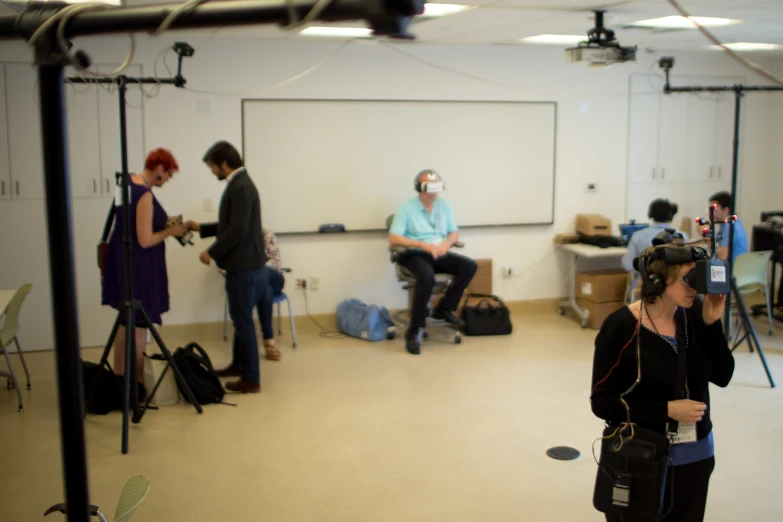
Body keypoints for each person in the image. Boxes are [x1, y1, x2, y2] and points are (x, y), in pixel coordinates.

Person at [591, 236, 735, 522]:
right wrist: (667, 410)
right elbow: (602, 402)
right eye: (686, 279)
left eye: (697, 276)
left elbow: (723, 376)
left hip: (696, 455)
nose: (695, 286)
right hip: (642, 457)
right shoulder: (621, 328)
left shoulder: (695, 315)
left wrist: (711, 324)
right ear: (657, 281)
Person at [186, 141, 268, 393]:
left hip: (243, 266)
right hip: (243, 265)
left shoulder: (241, 186)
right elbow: (231, 223)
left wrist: (211, 251)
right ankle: (238, 366)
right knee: (239, 318)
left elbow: (238, 229)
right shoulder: (240, 183)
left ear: (223, 164)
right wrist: (202, 227)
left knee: (242, 321)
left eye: (212, 166)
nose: (212, 171)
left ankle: (251, 378)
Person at [101, 148, 188, 382]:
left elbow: (126, 222)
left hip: (120, 260)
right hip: (139, 266)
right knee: (139, 324)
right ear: (159, 169)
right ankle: (138, 383)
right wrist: (171, 231)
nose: (168, 180)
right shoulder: (144, 194)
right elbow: (145, 239)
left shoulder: (125, 184)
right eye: (168, 175)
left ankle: (119, 378)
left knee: (124, 319)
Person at [388, 169, 477, 355]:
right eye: (430, 187)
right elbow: (394, 238)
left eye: (437, 187)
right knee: (426, 276)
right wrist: (422, 245)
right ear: (419, 187)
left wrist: (447, 243)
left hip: (438, 252)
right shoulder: (406, 208)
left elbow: (454, 232)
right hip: (413, 253)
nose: (434, 192)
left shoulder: (444, 205)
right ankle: (414, 330)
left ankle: (443, 308)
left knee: (469, 266)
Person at [621, 198, 689, 272]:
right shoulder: (682, 236)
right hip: (673, 281)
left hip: (644, 281)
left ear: (650, 214)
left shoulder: (638, 236)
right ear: (671, 216)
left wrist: (624, 258)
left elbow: (629, 266)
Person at [257, 229, 286, 361]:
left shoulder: (266, 235)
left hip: (274, 279)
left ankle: (268, 341)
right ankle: (269, 341)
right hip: (257, 286)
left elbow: (274, 261)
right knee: (265, 290)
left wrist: (255, 270)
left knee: (263, 274)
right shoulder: (238, 239)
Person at [708, 191, 748, 263]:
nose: (710, 213)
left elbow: (722, 256)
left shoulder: (729, 226)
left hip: (731, 271)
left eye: (714, 209)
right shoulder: (731, 222)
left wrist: (707, 238)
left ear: (726, 210)